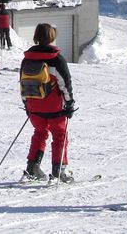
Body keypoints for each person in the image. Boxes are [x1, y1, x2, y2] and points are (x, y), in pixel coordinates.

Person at [20, 23, 75, 182]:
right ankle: (58, 172)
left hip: (33, 104)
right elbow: (65, 84)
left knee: (40, 133)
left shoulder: (27, 59)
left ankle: (32, 169)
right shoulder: (56, 59)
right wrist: (69, 103)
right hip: (54, 107)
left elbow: (23, 83)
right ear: (52, 37)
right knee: (60, 135)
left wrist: (26, 104)